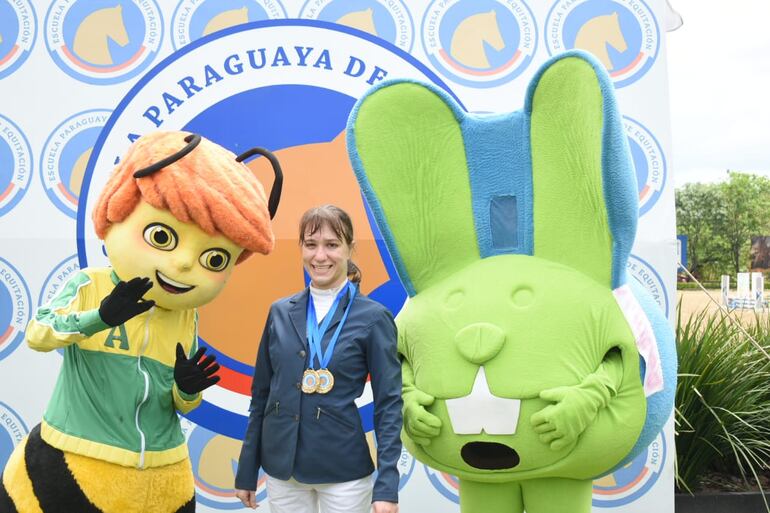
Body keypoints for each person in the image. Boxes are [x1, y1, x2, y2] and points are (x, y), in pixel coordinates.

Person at [0, 131, 278, 513]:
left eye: (214, 259)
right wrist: (100, 317)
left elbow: (181, 405)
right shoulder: (90, 284)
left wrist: (187, 389)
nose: (182, 264)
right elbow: (38, 334)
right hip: (79, 461)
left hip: (163, 473)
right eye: (162, 236)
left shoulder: (185, 315)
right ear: (119, 210)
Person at [235, 205, 402, 513]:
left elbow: (389, 405)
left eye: (332, 245)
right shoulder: (280, 312)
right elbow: (260, 395)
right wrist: (247, 470)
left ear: (350, 249)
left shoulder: (374, 318)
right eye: (311, 245)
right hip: (282, 472)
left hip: (343, 474)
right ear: (301, 249)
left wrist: (387, 486)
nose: (320, 256)